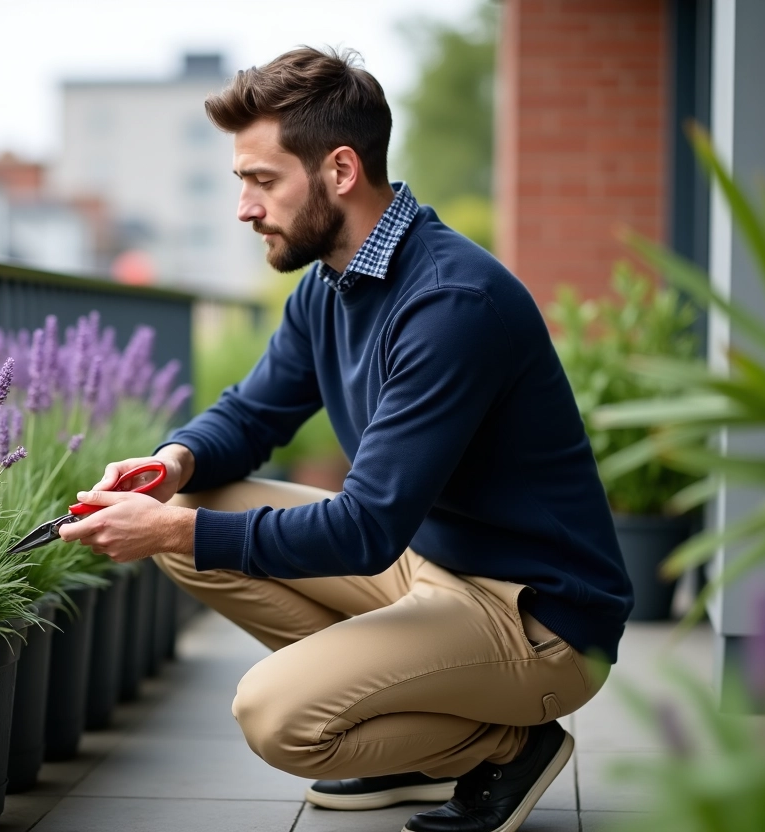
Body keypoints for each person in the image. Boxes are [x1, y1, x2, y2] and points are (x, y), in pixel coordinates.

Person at [56, 46, 633, 832]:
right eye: (242, 183)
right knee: (189, 504)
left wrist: (172, 526)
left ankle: (505, 745)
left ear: (339, 170)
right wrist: (169, 465)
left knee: (273, 714)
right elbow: (253, 415)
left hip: (535, 618)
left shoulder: (450, 306)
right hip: (430, 564)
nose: (245, 208)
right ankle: (404, 731)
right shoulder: (332, 283)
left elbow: (364, 528)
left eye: (263, 181)